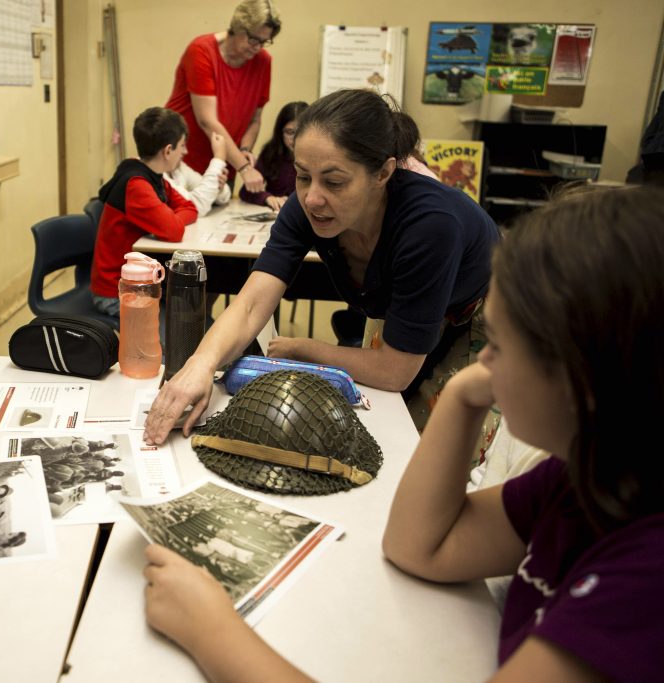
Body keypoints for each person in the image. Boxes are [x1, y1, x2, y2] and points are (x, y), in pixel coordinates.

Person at [142, 187, 664, 682]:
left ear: (584, 373)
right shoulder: (583, 477)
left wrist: (213, 632)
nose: (482, 359)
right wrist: (463, 393)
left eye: (500, 345)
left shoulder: (646, 578)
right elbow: (419, 547)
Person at [143, 89, 499, 445]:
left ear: (383, 173)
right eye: (302, 176)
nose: (313, 198)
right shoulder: (308, 207)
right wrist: (200, 365)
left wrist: (304, 348)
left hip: (480, 315)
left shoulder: (429, 225)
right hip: (404, 317)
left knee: (436, 448)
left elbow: (394, 372)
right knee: (380, 424)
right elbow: (251, 303)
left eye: (334, 181)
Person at [90, 107, 198, 321]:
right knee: (182, 329)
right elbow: (174, 230)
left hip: (141, 283)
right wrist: (172, 217)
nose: (184, 152)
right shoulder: (137, 185)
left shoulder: (153, 176)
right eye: (182, 146)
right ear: (168, 151)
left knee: (192, 316)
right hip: (116, 292)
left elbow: (189, 207)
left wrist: (172, 216)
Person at [165, 0, 281, 193]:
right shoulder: (202, 51)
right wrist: (244, 167)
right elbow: (207, 121)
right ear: (238, 27)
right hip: (182, 162)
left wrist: (244, 151)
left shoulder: (263, 62)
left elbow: (255, 119)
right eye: (253, 39)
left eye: (264, 42)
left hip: (224, 165)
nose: (257, 47)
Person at [239, 101, 307, 211]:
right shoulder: (270, 153)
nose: (294, 139)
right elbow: (245, 192)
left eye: (300, 132)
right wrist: (267, 198)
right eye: (289, 132)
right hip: (277, 215)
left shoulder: (318, 157)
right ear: (280, 132)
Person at [165, 131, 233, 217]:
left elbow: (225, 195)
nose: (186, 151)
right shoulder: (156, 176)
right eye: (182, 145)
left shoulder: (179, 168)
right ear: (168, 149)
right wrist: (219, 158)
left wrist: (219, 189)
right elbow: (195, 207)